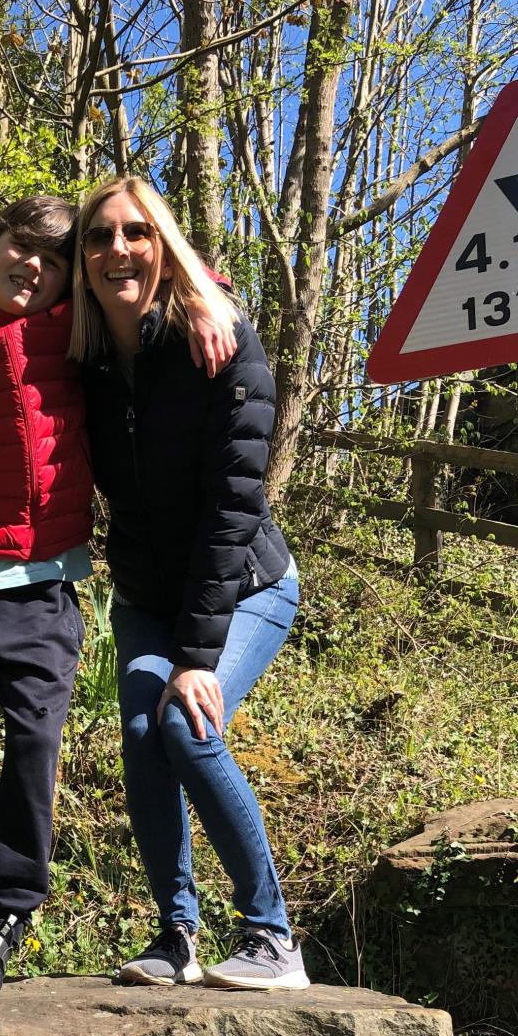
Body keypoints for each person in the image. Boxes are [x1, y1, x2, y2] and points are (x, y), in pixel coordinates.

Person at [0, 195, 237, 1005]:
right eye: (17, 246)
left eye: (50, 257)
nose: (30, 265)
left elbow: (144, 275)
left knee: (34, 753)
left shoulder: (79, 340)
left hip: (45, 591)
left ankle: (4, 920)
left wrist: (212, 294)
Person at [68, 176, 308, 990]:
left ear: (163, 244)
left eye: (137, 232)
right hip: (144, 596)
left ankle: (271, 936)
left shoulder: (220, 337)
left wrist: (198, 655)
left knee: (187, 724)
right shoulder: (84, 360)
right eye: (98, 237)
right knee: (141, 735)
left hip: (245, 586)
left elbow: (234, 502)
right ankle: (177, 935)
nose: (117, 249)